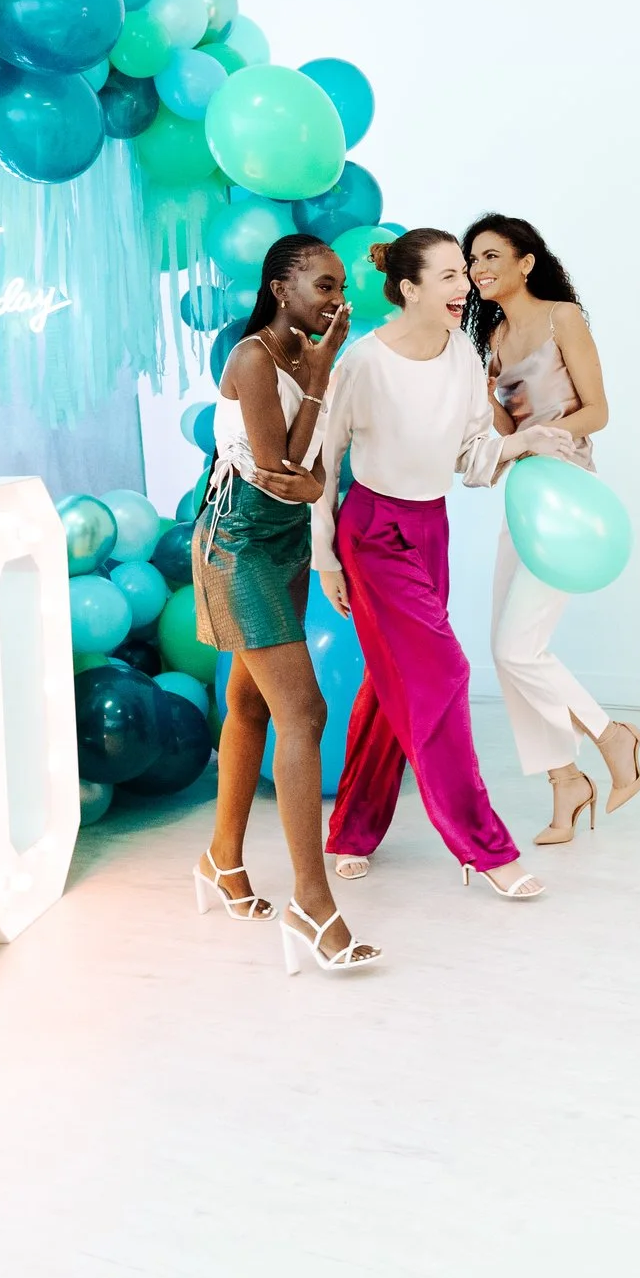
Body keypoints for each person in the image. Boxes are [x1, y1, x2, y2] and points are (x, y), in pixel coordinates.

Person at [316, 229, 569, 898]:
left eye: (465, 272)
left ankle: (350, 829)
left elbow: (473, 458)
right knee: (445, 670)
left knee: (388, 683)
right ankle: (485, 847)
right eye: (450, 276)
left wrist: (529, 438)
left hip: (431, 527)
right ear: (408, 289)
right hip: (372, 533)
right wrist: (326, 558)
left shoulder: (463, 355)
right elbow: (323, 464)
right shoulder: (362, 363)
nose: (465, 287)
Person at [190, 233, 381, 975]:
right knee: (304, 712)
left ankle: (220, 863)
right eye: (324, 287)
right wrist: (299, 479)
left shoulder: (305, 356)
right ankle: (312, 902)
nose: (337, 300)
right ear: (279, 289)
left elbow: (305, 469)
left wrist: (325, 360)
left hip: (282, 544)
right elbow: (281, 468)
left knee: (250, 704)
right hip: (236, 546)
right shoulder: (252, 360)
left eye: (339, 289)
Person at [463, 214, 640, 846]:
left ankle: (610, 736)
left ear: (526, 262)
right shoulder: (488, 337)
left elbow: (598, 411)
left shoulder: (561, 318)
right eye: (471, 259)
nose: (478, 267)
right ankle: (564, 781)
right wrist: (487, 392)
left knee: (520, 649)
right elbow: (500, 430)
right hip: (523, 496)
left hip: (568, 494)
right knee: (506, 651)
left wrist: (541, 436)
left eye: (491, 255)